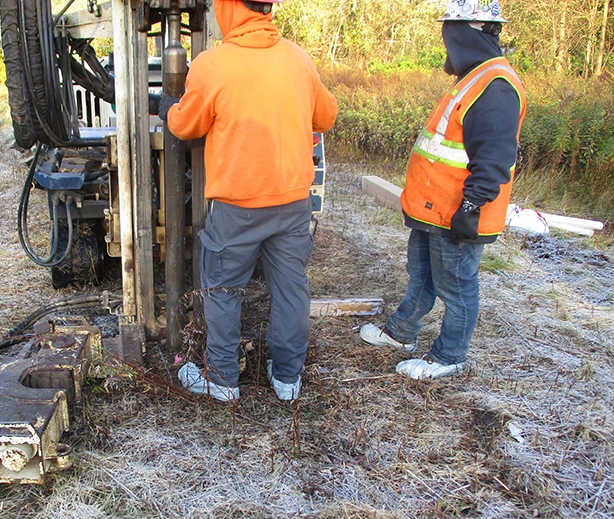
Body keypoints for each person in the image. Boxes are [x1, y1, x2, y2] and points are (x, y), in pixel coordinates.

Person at [159, 0, 338, 401]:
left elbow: (186, 125)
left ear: (226, 6)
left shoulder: (213, 64)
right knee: (291, 289)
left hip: (237, 208)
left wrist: (168, 108)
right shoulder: (297, 59)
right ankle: (288, 378)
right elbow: (325, 117)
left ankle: (222, 379)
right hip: (292, 203)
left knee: (223, 290)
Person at [359, 0, 526, 380]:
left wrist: (471, 206)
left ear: (464, 33)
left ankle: (450, 356)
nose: (445, 46)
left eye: (447, 35)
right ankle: (401, 333)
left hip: (456, 211)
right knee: (422, 277)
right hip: (433, 209)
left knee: (456, 286)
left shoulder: (496, 86)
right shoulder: (474, 77)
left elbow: (495, 158)